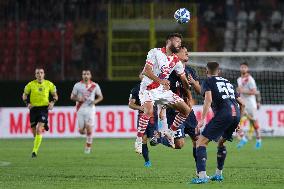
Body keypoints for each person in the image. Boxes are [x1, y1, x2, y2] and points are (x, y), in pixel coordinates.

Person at [135, 33, 193, 154]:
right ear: (169, 41)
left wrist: (188, 85)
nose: (179, 44)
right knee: (149, 111)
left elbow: (183, 79)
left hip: (162, 91)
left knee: (186, 110)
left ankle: (170, 133)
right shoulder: (155, 52)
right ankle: (139, 140)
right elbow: (146, 71)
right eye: (177, 42)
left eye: (180, 43)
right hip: (148, 89)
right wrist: (161, 81)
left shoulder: (176, 61)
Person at [191, 62, 245, 184]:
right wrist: (238, 122)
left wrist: (202, 119)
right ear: (218, 71)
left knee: (201, 142)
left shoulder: (208, 81)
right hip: (235, 113)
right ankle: (218, 174)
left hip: (224, 113)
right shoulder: (228, 83)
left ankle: (202, 176)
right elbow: (243, 103)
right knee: (221, 142)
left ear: (206, 71)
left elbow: (208, 99)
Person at [151, 45, 201, 172]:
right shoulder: (169, 71)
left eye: (188, 52)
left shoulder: (191, 71)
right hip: (174, 111)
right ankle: (161, 137)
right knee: (179, 145)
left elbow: (200, 91)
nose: (187, 54)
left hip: (188, 111)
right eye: (185, 52)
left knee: (197, 139)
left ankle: (200, 171)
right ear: (176, 55)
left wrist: (194, 83)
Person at [22, 68, 58, 158]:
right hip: (33, 109)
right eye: (37, 73)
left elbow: (55, 96)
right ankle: (45, 123)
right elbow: (24, 95)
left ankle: (34, 152)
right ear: (35, 75)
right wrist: (27, 103)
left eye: (41, 73)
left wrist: (52, 102)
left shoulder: (49, 84)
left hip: (43, 108)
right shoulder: (30, 84)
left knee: (38, 128)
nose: (39, 74)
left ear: (44, 74)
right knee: (34, 132)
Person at [70, 69, 103, 154]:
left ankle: (88, 147)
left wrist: (95, 101)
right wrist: (78, 99)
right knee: (81, 131)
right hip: (80, 109)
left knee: (89, 127)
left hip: (90, 109)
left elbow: (100, 97)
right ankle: (87, 133)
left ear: (90, 75)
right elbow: (72, 97)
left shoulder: (95, 86)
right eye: (84, 74)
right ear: (82, 75)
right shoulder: (77, 85)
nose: (86, 76)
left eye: (87, 74)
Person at [128, 72, 158, 167]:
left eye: (146, 74)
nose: (144, 76)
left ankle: (159, 138)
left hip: (153, 117)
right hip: (142, 116)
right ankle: (147, 161)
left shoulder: (155, 87)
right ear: (140, 76)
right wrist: (140, 108)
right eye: (143, 74)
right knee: (144, 139)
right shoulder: (135, 89)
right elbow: (130, 104)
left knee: (153, 141)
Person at [236, 62, 262, 149]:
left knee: (253, 122)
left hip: (251, 104)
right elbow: (240, 91)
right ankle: (243, 138)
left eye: (245, 67)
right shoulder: (239, 79)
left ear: (247, 69)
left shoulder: (250, 79)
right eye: (242, 67)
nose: (243, 69)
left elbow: (254, 91)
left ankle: (258, 140)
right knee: (236, 121)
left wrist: (242, 91)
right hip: (242, 103)